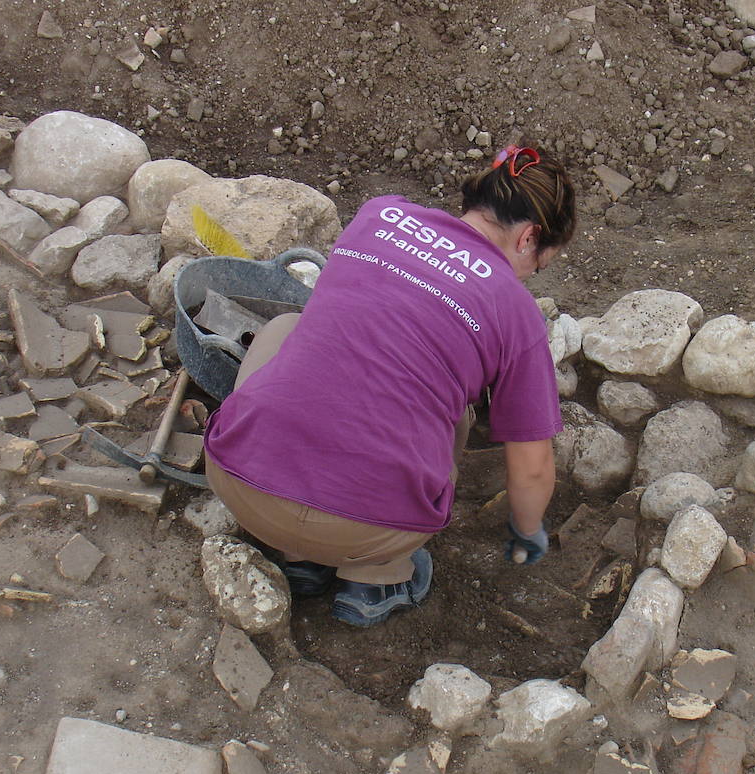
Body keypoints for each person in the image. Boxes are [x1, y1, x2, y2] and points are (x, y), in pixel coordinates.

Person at [204, 144, 577, 627]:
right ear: (529, 237)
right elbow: (531, 469)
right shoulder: (514, 310)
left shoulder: (380, 214)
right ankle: (379, 579)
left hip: (241, 486)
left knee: (284, 331)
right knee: (452, 414)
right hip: (367, 526)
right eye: (539, 265)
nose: (528, 276)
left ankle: (295, 558)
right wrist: (528, 532)